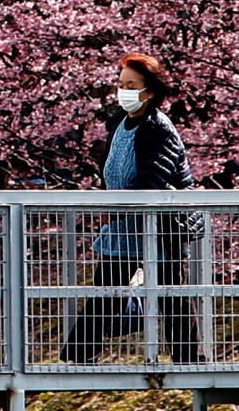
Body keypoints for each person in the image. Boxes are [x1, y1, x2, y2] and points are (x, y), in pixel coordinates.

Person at [60, 52, 202, 365]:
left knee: (171, 293)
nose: (123, 91)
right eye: (121, 83)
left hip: (162, 224)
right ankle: (79, 353)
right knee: (106, 289)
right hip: (126, 223)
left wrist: (116, 205)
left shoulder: (158, 128)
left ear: (149, 91)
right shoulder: (121, 124)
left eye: (131, 85)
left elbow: (155, 178)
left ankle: (189, 357)